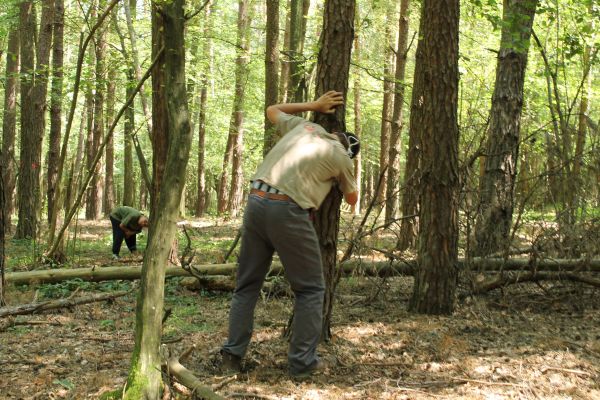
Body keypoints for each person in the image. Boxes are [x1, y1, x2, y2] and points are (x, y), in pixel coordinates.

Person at [219, 91, 360, 378]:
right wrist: (340, 173)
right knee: (311, 289)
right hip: (287, 211)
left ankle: (232, 356)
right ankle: (302, 363)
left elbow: (272, 108)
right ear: (349, 150)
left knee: (246, 286)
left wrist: (315, 106)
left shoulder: (307, 127)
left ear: (334, 132)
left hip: (256, 200)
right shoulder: (342, 158)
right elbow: (352, 198)